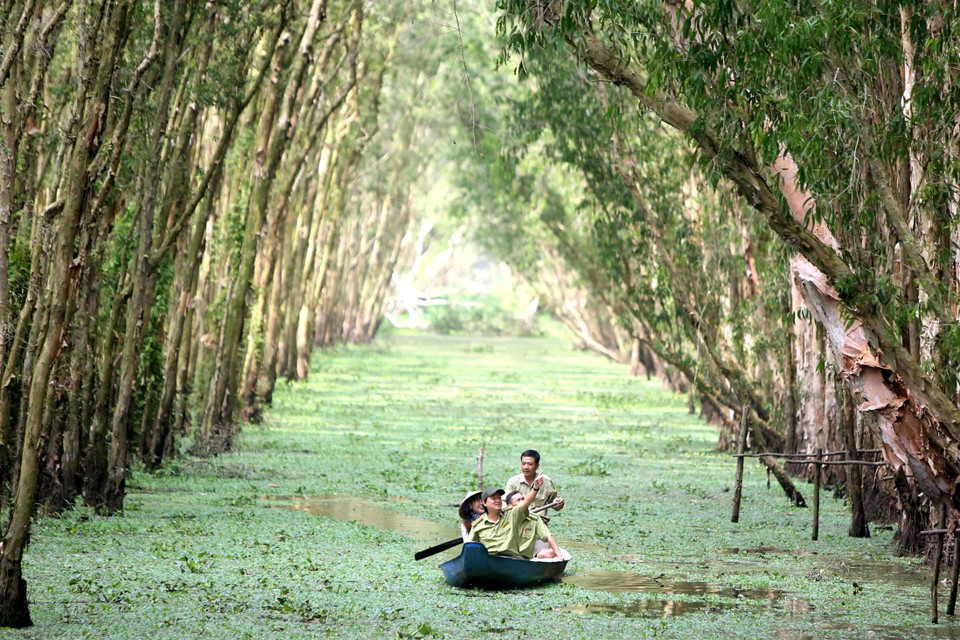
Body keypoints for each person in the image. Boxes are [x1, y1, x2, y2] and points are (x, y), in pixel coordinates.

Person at [467, 479, 562, 560]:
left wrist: (535, 488)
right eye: (493, 498)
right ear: (484, 503)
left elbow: (526, 503)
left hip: (512, 560)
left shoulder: (511, 514)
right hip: (489, 560)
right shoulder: (477, 524)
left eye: (499, 498)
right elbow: (469, 549)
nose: (497, 501)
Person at [504, 449, 565, 515]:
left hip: (540, 519)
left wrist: (558, 503)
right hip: (519, 519)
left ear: (537, 466)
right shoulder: (513, 482)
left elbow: (554, 501)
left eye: (530, 464)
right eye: (523, 464)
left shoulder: (546, 481)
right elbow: (504, 503)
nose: (526, 467)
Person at [503, 491, 560, 559]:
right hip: (507, 555)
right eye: (518, 500)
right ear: (510, 506)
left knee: (551, 552)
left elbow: (548, 536)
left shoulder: (534, 519)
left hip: (525, 556)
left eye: (523, 499)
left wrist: (559, 555)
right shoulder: (504, 518)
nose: (523, 502)